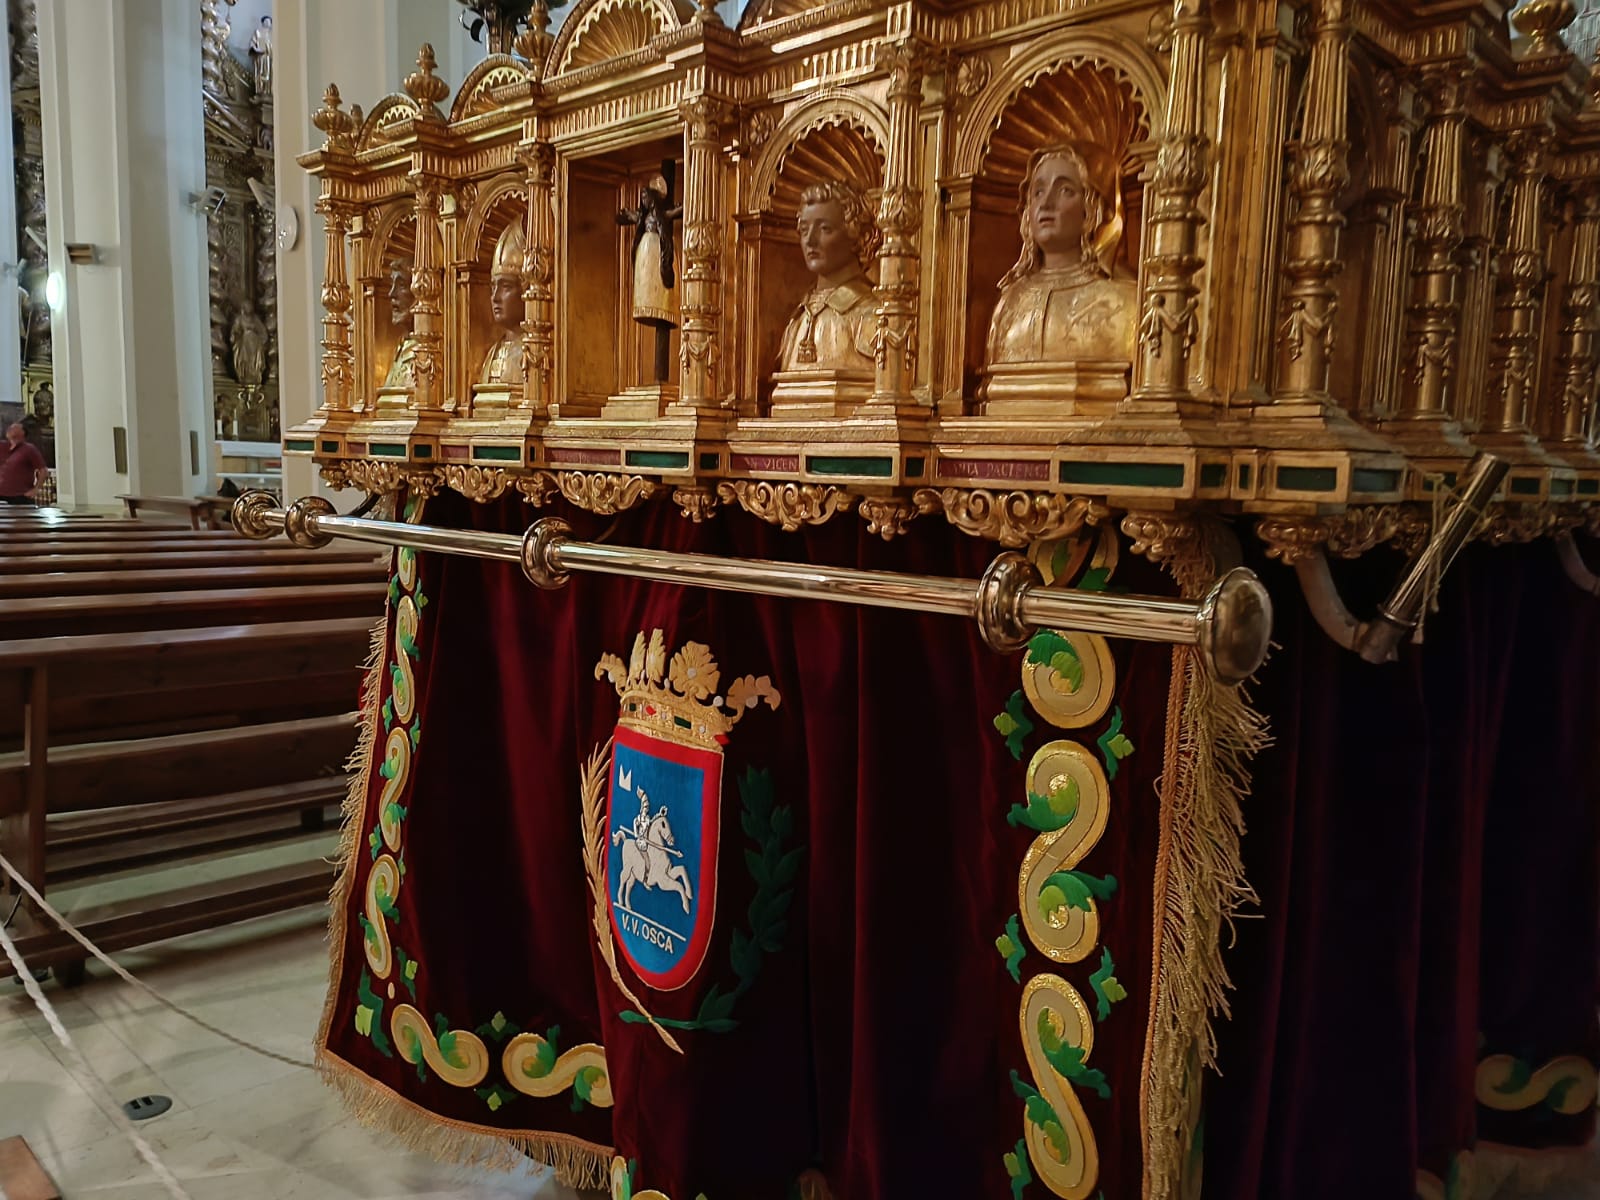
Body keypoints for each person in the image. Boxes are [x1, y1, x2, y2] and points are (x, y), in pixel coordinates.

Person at [984, 142, 1137, 369]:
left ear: (1092, 207)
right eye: (1038, 192)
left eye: (1065, 190)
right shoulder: (1010, 300)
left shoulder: (1125, 299)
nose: (1046, 203)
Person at [776, 179, 880, 373]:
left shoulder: (873, 315)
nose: (810, 240)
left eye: (825, 229)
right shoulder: (796, 321)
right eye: (805, 230)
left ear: (858, 236)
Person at [476, 222, 527, 386]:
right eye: (493, 287)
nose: (495, 297)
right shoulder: (492, 353)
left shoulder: (532, 352)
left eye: (506, 286)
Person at [0, 422, 47, 506]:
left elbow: (43, 470)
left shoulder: (29, 449)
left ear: (22, 432)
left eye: (14, 428)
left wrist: (36, 489)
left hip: (20, 496)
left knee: (21, 518)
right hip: (1, 494)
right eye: (10, 427)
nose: (9, 429)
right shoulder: (2, 446)